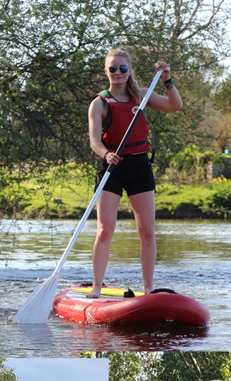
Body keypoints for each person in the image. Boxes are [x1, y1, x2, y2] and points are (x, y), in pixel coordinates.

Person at [87, 50, 181, 297]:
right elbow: (94, 141)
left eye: (122, 68)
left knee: (147, 230)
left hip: (139, 167)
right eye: (113, 69)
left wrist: (167, 80)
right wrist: (106, 154)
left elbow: (175, 105)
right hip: (112, 167)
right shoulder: (99, 103)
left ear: (129, 71)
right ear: (106, 72)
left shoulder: (142, 96)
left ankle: (148, 288)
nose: (118, 73)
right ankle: (96, 287)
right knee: (105, 229)